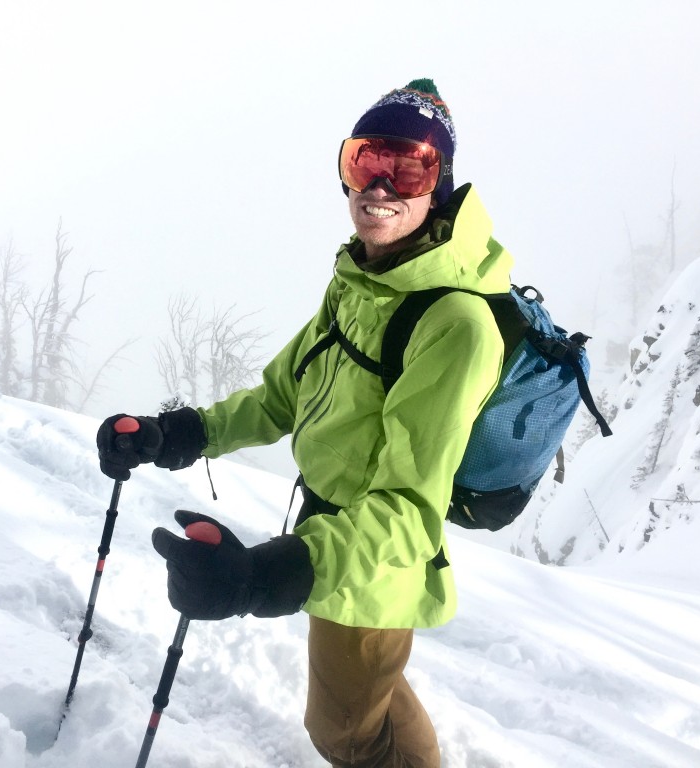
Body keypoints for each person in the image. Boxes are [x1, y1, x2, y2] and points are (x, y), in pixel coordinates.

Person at [96, 78, 512, 768]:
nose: (379, 187)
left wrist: (266, 576)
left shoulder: (454, 324)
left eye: (408, 167)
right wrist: (180, 433)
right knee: (366, 694)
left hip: (371, 561)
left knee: (342, 731)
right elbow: (280, 397)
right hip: (330, 540)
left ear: (438, 185)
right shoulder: (359, 279)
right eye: (363, 163)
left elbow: (410, 509)